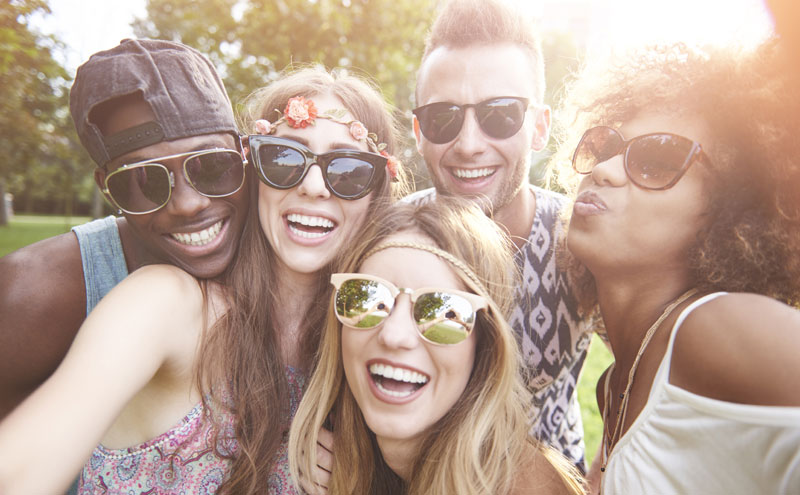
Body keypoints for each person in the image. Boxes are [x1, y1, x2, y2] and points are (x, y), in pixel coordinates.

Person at [0, 66, 407, 494]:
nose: (313, 187)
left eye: (348, 170)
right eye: (283, 158)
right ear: (250, 172)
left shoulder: (377, 351)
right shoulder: (163, 306)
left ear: (378, 191)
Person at [557, 39, 800, 493]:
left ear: (727, 205)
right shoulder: (612, 388)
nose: (604, 170)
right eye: (605, 145)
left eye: (655, 159)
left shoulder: (717, 328)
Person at [0, 39, 249, 421]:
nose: (187, 203)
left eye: (212, 166)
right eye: (144, 180)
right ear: (105, 185)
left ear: (245, 156)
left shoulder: (288, 252)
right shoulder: (35, 291)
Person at [405, 0, 594, 471]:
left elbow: (655, 365)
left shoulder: (583, 240)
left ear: (539, 127)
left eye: (501, 114)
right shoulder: (393, 239)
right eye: (443, 117)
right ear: (418, 131)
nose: (469, 144)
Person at [289, 199, 584, 495]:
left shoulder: (527, 487)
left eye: (442, 312)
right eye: (368, 298)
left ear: (485, 345)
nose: (394, 335)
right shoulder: (336, 463)